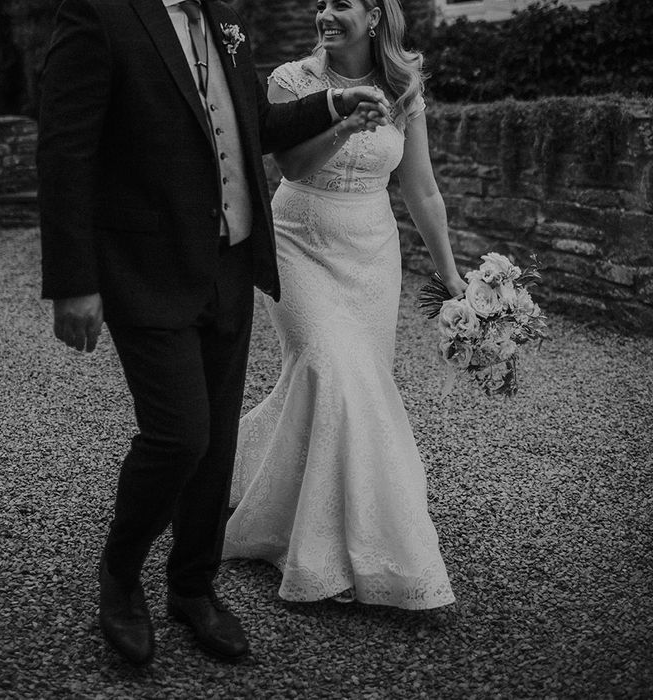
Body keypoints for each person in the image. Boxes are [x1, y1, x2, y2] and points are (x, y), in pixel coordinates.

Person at [37, 0, 389, 666]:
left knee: (217, 443)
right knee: (180, 435)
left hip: (230, 262)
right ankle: (120, 575)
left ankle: (193, 588)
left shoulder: (224, 16)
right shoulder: (100, 15)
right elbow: (64, 150)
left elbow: (255, 124)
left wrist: (336, 104)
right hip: (145, 267)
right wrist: (73, 281)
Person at [222, 0, 466, 610]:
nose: (326, 15)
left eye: (343, 5)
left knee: (356, 383)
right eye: (322, 5)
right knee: (331, 369)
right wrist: (345, 125)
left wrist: (452, 277)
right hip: (299, 238)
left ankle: (322, 511)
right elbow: (291, 164)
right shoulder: (290, 80)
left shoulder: (403, 83)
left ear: (377, 16)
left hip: (371, 252)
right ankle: (327, 552)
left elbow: (421, 186)